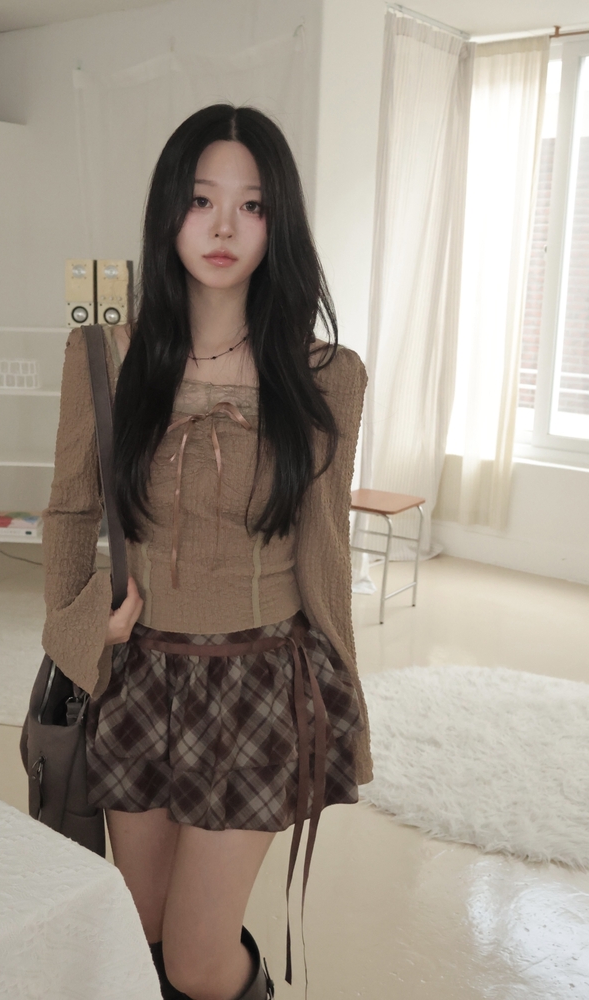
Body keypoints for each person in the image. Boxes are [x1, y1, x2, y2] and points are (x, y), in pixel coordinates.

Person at [42, 104, 372, 1000]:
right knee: (143, 935)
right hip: (140, 678)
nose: (224, 227)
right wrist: (77, 629)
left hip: (262, 684)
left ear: (278, 221)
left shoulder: (327, 377)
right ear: (168, 212)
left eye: (252, 205)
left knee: (196, 955)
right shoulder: (102, 358)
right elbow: (70, 510)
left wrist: (345, 700)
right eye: (201, 200)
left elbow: (326, 547)